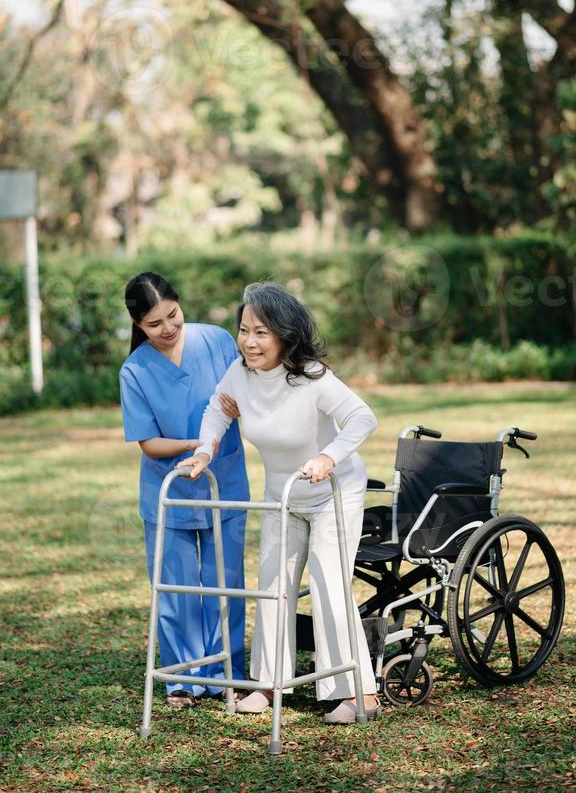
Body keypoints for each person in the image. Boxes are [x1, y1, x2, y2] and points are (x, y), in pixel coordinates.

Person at [179, 281, 381, 724]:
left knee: (330, 584)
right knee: (272, 585)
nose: (249, 342)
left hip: (333, 492)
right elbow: (218, 407)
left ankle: (359, 693)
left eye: (261, 333)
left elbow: (362, 417)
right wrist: (205, 449)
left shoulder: (312, 378)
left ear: (285, 336)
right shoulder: (240, 374)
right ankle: (269, 685)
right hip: (281, 495)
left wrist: (328, 456)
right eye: (244, 330)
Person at [119, 271, 249, 709]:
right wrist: (197, 444)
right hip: (168, 490)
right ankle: (181, 679)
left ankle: (227, 673)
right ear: (138, 325)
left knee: (225, 582)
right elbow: (148, 442)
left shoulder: (216, 340)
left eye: (172, 315)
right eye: (154, 324)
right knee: (175, 588)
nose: (168, 328)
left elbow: (255, 387)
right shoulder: (134, 370)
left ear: (179, 304)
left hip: (224, 482)